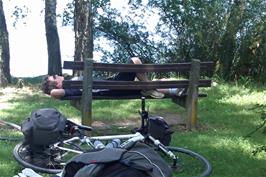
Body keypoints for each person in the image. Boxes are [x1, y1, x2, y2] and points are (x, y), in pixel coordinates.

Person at [41, 57, 186, 99]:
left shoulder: (72, 83)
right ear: (56, 84)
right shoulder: (69, 88)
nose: (58, 75)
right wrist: (57, 88)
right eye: (55, 77)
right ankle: (151, 88)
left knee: (146, 85)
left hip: (113, 84)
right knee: (135, 61)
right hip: (112, 88)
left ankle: (174, 90)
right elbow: (54, 94)